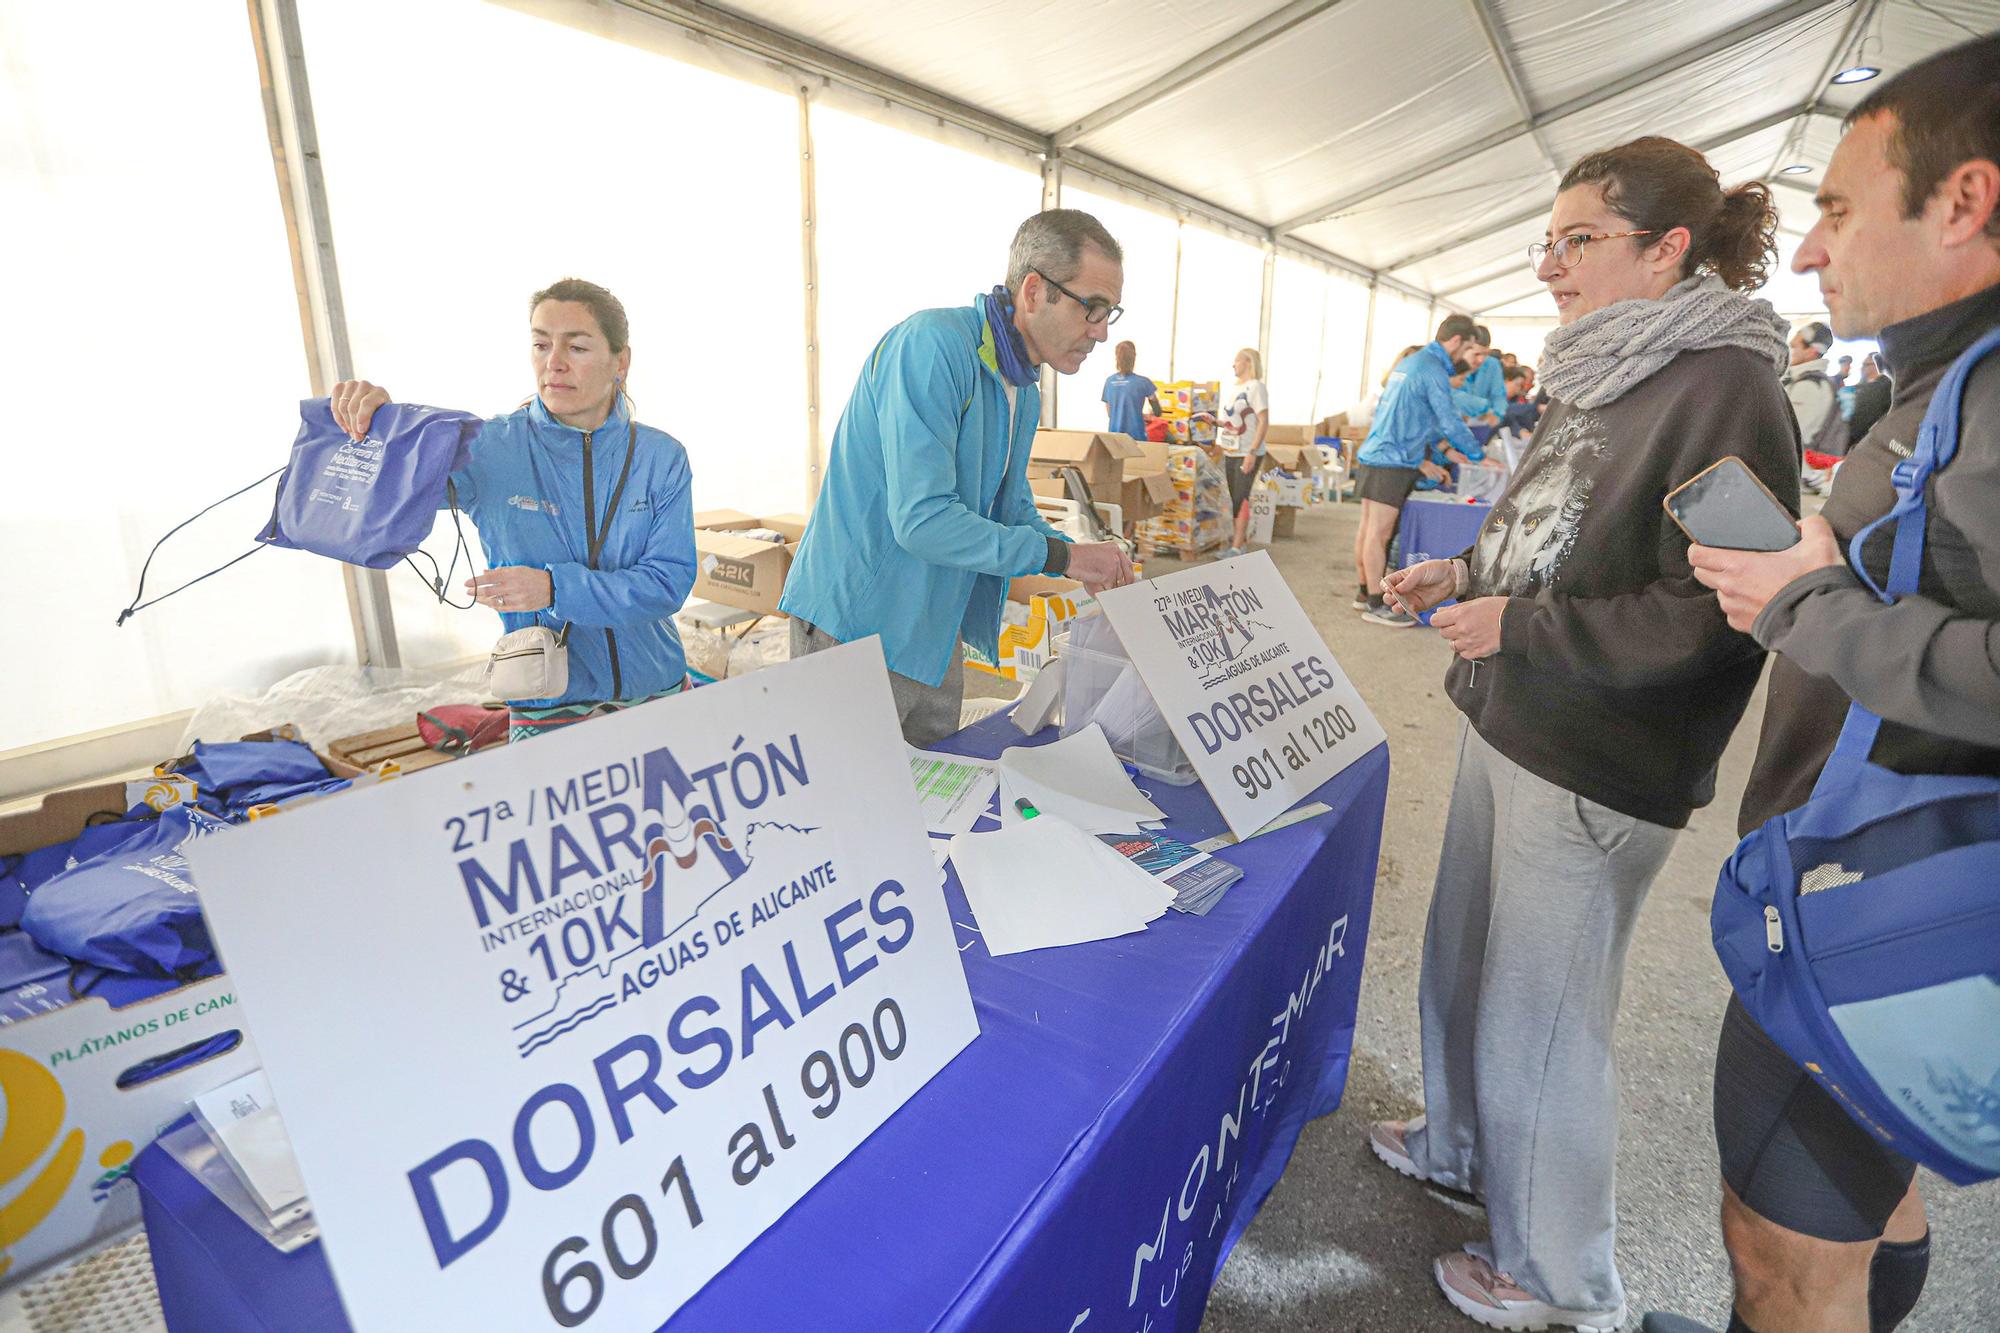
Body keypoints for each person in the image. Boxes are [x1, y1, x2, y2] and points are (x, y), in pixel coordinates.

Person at [1373, 135, 1799, 1332]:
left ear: (1667, 250)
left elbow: (1728, 608)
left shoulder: (1726, 389)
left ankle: (1563, 1281)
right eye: (1546, 239)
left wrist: (1524, 626)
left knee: (1542, 1021)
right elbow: (1549, 525)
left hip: (1595, 754)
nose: (1550, 265)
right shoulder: (1596, 363)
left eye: (1579, 240)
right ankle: (1458, 1145)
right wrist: (1461, 568)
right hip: (1506, 711)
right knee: (1462, 958)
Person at [1644, 35, 2000, 1333]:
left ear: (1964, 201)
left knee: (1784, 1250)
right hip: (1898, 882)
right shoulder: (1953, 376)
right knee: (1858, 1207)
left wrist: (1814, 606)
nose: (1806, 249)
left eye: (1840, 211)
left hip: (1881, 894)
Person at [780, 210, 1135, 746]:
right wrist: (1063, 558)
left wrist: (1076, 554)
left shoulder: (1024, 385)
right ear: (1034, 291)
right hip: (855, 628)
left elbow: (1010, 508)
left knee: (929, 794)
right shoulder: (933, 348)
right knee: (846, 805)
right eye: (1093, 308)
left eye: (1111, 312)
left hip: (932, 625)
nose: (1102, 332)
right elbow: (923, 521)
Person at [328, 278, 697, 743]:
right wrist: (375, 426)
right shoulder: (488, 448)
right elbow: (383, 500)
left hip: (657, 693)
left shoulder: (660, 457)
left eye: (577, 347)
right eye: (541, 344)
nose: (554, 363)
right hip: (548, 711)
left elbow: (668, 584)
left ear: (620, 362)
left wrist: (553, 587)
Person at [1351, 315, 1483, 626]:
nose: (1469, 358)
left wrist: (1441, 452)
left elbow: (1422, 419)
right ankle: (1375, 603)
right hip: (1393, 459)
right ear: (1456, 342)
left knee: (1369, 530)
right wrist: (1475, 454)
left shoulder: (1412, 363)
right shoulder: (1432, 369)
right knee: (1378, 534)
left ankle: (1362, 593)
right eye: (1469, 349)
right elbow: (1448, 420)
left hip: (1378, 453)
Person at [1217, 347, 1270, 556]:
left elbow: (1264, 421)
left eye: (1237, 361)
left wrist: (1252, 451)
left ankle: (1237, 545)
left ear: (1249, 363)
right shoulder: (1234, 388)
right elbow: (1234, 422)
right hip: (1231, 449)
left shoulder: (1256, 388)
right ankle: (1238, 541)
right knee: (1233, 497)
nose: (1233, 365)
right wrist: (1216, 422)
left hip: (1247, 451)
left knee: (1241, 496)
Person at [1784, 320, 1847, 491]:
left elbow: (1788, 434)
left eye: (1794, 346)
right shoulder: (1804, 381)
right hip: (1801, 477)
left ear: (1811, 352)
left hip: (1800, 479)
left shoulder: (1809, 386)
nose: (1789, 351)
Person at [1102, 341, 1160, 439]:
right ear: (1134, 358)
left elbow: (1109, 413)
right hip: (1136, 437)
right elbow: (1157, 412)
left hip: (1114, 438)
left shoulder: (1109, 382)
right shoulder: (1143, 383)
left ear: (1117, 358)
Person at [1459, 326, 1507, 426]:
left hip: (1481, 425)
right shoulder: (1451, 364)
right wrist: (1483, 407)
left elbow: (1499, 395)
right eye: (1476, 354)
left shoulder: (1493, 364)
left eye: (1485, 354)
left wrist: (1497, 415)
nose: (1481, 360)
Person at [1848, 350, 1894, 439]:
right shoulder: (1861, 387)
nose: (1861, 368)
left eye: (1865, 365)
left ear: (1877, 365)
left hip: (1862, 440)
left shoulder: (1883, 388)